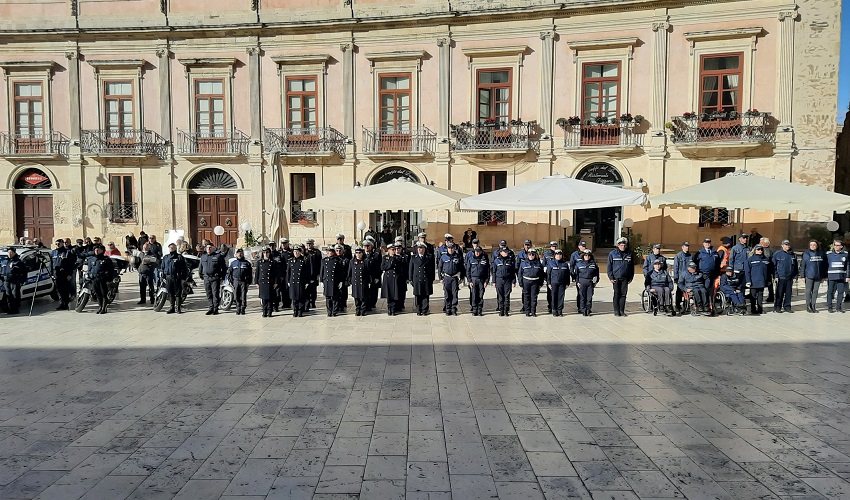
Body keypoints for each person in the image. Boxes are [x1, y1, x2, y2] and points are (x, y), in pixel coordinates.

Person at [607, 237, 635, 316]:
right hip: (616, 278)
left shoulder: (629, 254)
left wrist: (631, 277)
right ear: (618, 245)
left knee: (623, 295)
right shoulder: (612, 254)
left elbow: (631, 267)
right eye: (621, 245)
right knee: (617, 294)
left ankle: (622, 311)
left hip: (625, 278)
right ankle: (616, 311)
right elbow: (609, 267)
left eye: (624, 245)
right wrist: (610, 277)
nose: (623, 247)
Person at [86, 244, 116, 314]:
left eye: (98, 250)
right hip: (94, 279)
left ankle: (104, 308)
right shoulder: (92, 259)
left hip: (103, 279)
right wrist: (90, 276)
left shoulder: (106, 259)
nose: (96, 251)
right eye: (95, 250)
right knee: (97, 294)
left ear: (102, 250)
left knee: (103, 294)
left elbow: (111, 270)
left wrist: (109, 279)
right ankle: (100, 306)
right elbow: (89, 269)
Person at [160, 243, 189, 314]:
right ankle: (172, 307)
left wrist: (183, 278)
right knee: (170, 293)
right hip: (168, 277)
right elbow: (162, 268)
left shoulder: (179, 257)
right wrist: (162, 276)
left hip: (177, 277)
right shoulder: (166, 257)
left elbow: (184, 269)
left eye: (172, 248)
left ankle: (178, 308)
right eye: (170, 248)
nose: (171, 249)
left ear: (175, 248)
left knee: (178, 293)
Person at [800, 240, 827, 313]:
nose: (813, 246)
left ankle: (813, 305)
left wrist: (824, 276)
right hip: (809, 275)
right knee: (808, 291)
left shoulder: (822, 253)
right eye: (811, 245)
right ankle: (808, 306)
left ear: (817, 245)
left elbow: (824, 265)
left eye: (814, 245)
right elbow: (803, 265)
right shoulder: (806, 253)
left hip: (818, 275)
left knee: (815, 291)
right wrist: (802, 275)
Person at [199, 243, 226, 315]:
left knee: (215, 294)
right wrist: (201, 275)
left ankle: (215, 309)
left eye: (210, 247)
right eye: (207, 247)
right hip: (206, 278)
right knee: (209, 294)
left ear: (213, 248)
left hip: (215, 277)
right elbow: (200, 267)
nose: (208, 249)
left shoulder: (218, 256)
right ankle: (210, 308)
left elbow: (223, 267)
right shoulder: (203, 257)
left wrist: (222, 277)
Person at [438, 242, 465, 316]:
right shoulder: (443, 257)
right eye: (449, 248)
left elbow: (462, 267)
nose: (451, 249)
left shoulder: (458, 256)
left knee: (454, 294)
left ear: (454, 248)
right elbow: (440, 268)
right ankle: (448, 308)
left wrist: (462, 277)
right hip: (446, 278)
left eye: (452, 248)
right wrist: (440, 278)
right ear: (447, 249)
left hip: (454, 278)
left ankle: (453, 309)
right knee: (447, 294)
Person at [409, 242, 435, 316]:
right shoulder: (414, 258)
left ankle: (425, 309)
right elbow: (411, 269)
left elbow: (432, 269)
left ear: (424, 249)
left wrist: (432, 279)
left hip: (426, 279)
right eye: (419, 248)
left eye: (422, 248)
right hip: (417, 279)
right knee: (418, 295)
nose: (420, 250)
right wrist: (410, 279)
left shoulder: (429, 257)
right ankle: (418, 309)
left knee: (425, 295)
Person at [772, 239, 798, 313]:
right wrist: (775, 276)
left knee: (788, 293)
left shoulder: (793, 254)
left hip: (789, 277)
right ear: (782, 245)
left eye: (788, 244)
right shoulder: (777, 254)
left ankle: (787, 306)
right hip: (781, 277)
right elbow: (774, 266)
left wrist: (796, 275)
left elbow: (795, 266)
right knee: (779, 293)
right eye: (786, 245)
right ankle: (777, 307)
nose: (787, 246)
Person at [745, 244, 772, 315]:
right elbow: (747, 271)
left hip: (762, 280)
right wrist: (748, 281)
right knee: (753, 296)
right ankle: (753, 309)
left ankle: (760, 309)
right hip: (753, 281)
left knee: (760, 295)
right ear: (755, 250)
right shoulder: (750, 259)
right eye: (758, 249)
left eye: (761, 249)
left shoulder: (766, 259)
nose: (760, 251)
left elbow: (768, 271)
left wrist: (769, 280)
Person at [518, 248, 545, 316]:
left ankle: (533, 311)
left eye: (533, 254)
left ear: (535, 255)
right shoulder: (523, 263)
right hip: (526, 282)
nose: (531, 256)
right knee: (526, 297)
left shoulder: (539, 264)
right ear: (527, 255)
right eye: (529, 254)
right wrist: (521, 284)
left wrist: (540, 284)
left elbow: (542, 275)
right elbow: (520, 274)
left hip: (535, 282)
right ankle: (527, 311)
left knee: (534, 298)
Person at [50, 239, 76, 310]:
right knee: (58, 290)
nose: (57, 245)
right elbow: (51, 264)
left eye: (59, 244)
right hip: (56, 274)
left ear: (62, 243)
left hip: (64, 274)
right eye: (56, 244)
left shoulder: (67, 252)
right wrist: (51, 274)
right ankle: (61, 304)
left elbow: (71, 264)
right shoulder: (53, 252)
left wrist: (70, 274)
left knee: (65, 290)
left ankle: (66, 304)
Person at [287, 245, 311, 317]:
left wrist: (307, 282)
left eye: (297, 251)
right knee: (294, 298)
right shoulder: (290, 261)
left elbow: (307, 272)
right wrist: (288, 281)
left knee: (301, 297)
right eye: (294, 251)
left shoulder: (304, 260)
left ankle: (300, 311)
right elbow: (288, 272)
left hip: (301, 281)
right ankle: (295, 310)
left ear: (300, 252)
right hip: (293, 281)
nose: (296, 253)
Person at [254, 247, 279, 317]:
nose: (265, 254)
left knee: (270, 298)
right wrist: (256, 282)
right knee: (264, 298)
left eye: (267, 252)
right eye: (264, 252)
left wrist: (276, 282)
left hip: (270, 282)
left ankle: (270, 311)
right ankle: (264, 312)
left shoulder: (273, 262)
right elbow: (257, 273)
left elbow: (276, 273)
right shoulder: (259, 262)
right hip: (262, 282)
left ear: (269, 253)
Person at [320, 245, 345, 317]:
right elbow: (322, 271)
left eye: (330, 251)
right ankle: (329, 311)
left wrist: (341, 281)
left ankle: (334, 311)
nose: (329, 253)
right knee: (328, 298)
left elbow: (340, 272)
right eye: (328, 251)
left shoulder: (338, 261)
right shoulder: (324, 260)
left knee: (335, 297)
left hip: (335, 281)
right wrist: (321, 281)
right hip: (327, 281)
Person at [825, 239, 849, 313]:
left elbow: (848, 266)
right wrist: (825, 276)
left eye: (838, 245)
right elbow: (825, 265)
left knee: (841, 292)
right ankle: (829, 307)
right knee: (830, 292)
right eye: (835, 245)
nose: (836, 246)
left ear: (841, 246)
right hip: (831, 276)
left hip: (841, 276)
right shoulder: (828, 254)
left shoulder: (845, 254)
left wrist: (848, 276)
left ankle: (838, 307)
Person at [227, 248, 253, 315]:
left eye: (241, 253)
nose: (239, 254)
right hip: (235, 281)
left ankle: (243, 308)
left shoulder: (247, 263)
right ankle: (238, 308)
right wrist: (231, 282)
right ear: (236, 254)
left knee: (243, 295)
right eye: (238, 253)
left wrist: (248, 282)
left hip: (244, 281)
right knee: (236, 295)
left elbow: (250, 273)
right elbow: (229, 273)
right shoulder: (233, 263)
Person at [695, 238, 720, 306]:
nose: (707, 244)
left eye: (709, 242)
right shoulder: (699, 253)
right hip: (702, 274)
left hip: (712, 274)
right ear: (703, 244)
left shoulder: (715, 252)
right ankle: (703, 304)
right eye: (706, 242)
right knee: (703, 289)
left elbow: (718, 263)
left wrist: (717, 273)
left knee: (710, 290)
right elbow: (695, 263)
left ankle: (709, 304)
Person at [574, 249, 599, 316]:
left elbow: (597, 273)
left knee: (589, 297)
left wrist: (596, 281)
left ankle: (588, 309)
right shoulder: (579, 264)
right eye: (585, 255)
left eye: (588, 255)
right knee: (582, 297)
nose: (587, 257)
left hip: (590, 282)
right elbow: (576, 274)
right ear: (583, 256)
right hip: (582, 281)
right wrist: (577, 282)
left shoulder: (593, 264)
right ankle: (583, 310)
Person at [492, 247, 516, 316]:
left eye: (506, 251)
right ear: (500, 252)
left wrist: (513, 281)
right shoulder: (496, 261)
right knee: (500, 296)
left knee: (507, 296)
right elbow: (494, 271)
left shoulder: (510, 260)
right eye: (504, 251)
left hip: (507, 280)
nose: (505, 253)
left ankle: (506, 310)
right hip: (499, 280)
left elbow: (512, 272)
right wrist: (494, 281)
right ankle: (501, 310)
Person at [381, 244, 404, 315]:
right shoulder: (385, 258)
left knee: (394, 294)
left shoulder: (398, 258)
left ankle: (393, 309)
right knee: (389, 294)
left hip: (395, 278)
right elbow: (382, 267)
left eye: (394, 249)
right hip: (388, 278)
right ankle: (389, 308)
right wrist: (389, 265)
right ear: (388, 250)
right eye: (392, 249)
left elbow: (400, 267)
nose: (394, 251)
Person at [466, 246, 489, 316]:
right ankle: (474, 309)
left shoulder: (484, 259)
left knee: (480, 295)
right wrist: (469, 281)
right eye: (476, 251)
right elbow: (468, 270)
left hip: (482, 280)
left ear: (481, 252)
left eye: (479, 251)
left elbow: (488, 271)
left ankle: (479, 309)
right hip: (473, 279)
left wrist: (486, 281)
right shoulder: (471, 259)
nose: (477, 253)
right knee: (474, 295)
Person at [1, 247, 26, 314]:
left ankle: (15, 309)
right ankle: (10, 309)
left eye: (11, 253)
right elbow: (2, 270)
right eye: (8, 253)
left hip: (15, 281)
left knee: (15, 295)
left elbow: (24, 272)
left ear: (14, 253)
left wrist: (22, 281)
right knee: (8, 295)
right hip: (6, 281)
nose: (10, 254)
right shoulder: (5, 261)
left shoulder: (18, 262)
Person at [546, 249, 571, 316]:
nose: (558, 256)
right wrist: (548, 283)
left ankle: (559, 310)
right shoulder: (551, 263)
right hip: (553, 283)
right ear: (554, 255)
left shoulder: (565, 264)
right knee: (553, 296)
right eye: (557, 254)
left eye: (560, 254)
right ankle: (554, 310)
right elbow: (548, 274)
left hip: (562, 283)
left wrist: (567, 283)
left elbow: (567, 274)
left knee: (561, 297)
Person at [348, 247, 369, 316]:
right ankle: (357, 309)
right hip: (355, 282)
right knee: (356, 297)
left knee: (363, 297)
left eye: (359, 253)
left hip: (363, 282)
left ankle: (363, 309)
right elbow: (350, 272)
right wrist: (349, 280)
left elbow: (368, 272)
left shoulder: (365, 261)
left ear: (362, 254)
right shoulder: (352, 262)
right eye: (356, 253)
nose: (358, 254)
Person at [363, 240, 382, 312]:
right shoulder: (362, 254)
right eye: (365, 246)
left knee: (373, 291)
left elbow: (379, 266)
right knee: (365, 291)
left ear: (371, 247)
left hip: (374, 276)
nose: (367, 248)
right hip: (365, 277)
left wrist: (377, 277)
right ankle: (366, 305)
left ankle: (372, 304)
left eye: (368, 246)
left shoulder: (375, 254)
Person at [672, 242, 692, 313]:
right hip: (680, 277)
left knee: (687, 290)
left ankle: (686, 305)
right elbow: (676, 267)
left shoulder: (690, 256)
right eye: (686, 246)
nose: (687, 248)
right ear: (682, 247)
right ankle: (677, 305)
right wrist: (676, 277)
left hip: (688, 277)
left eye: (688, 246)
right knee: (679, 291)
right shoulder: (678, 255)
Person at [304, 239, 321, 310]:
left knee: (313, 289)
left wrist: (318, 274)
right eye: (307, 243)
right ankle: (307, 304)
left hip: (314, 274)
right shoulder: (304, 252)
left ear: (313, 244)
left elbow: (320, 263)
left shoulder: (317, 252)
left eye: (310, 243)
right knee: (306, 290)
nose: (309, 245)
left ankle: (313, 302)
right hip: (306, 274)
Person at [542, 241, 559, 314]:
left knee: (557, 293)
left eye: (555, 246)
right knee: (550, 292)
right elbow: (543, 264)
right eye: (553, 246)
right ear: (550, 246)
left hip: (556, 275)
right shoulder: (546, 254)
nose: (554, 248)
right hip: (549, 275)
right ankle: (550, 306)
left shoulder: (558, 253)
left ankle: (556, 306)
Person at [334, 244, 350, 311]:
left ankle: (343, 304)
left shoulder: (346, 260)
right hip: (336, 279)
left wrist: (347, 280)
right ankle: (336, 306)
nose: (338, 252)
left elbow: (348, 271)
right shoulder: (334, 260)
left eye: (340, 250)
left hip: (343, 279)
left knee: (343, 293)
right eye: (337, 250)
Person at [759, 237, 775, 302]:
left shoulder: (767, 250)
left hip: (767, 269)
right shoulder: (767, 249)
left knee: (768, 283)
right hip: (765, 269)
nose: (760, 243)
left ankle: (770, 297)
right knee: (769, 284)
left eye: (761, 242)